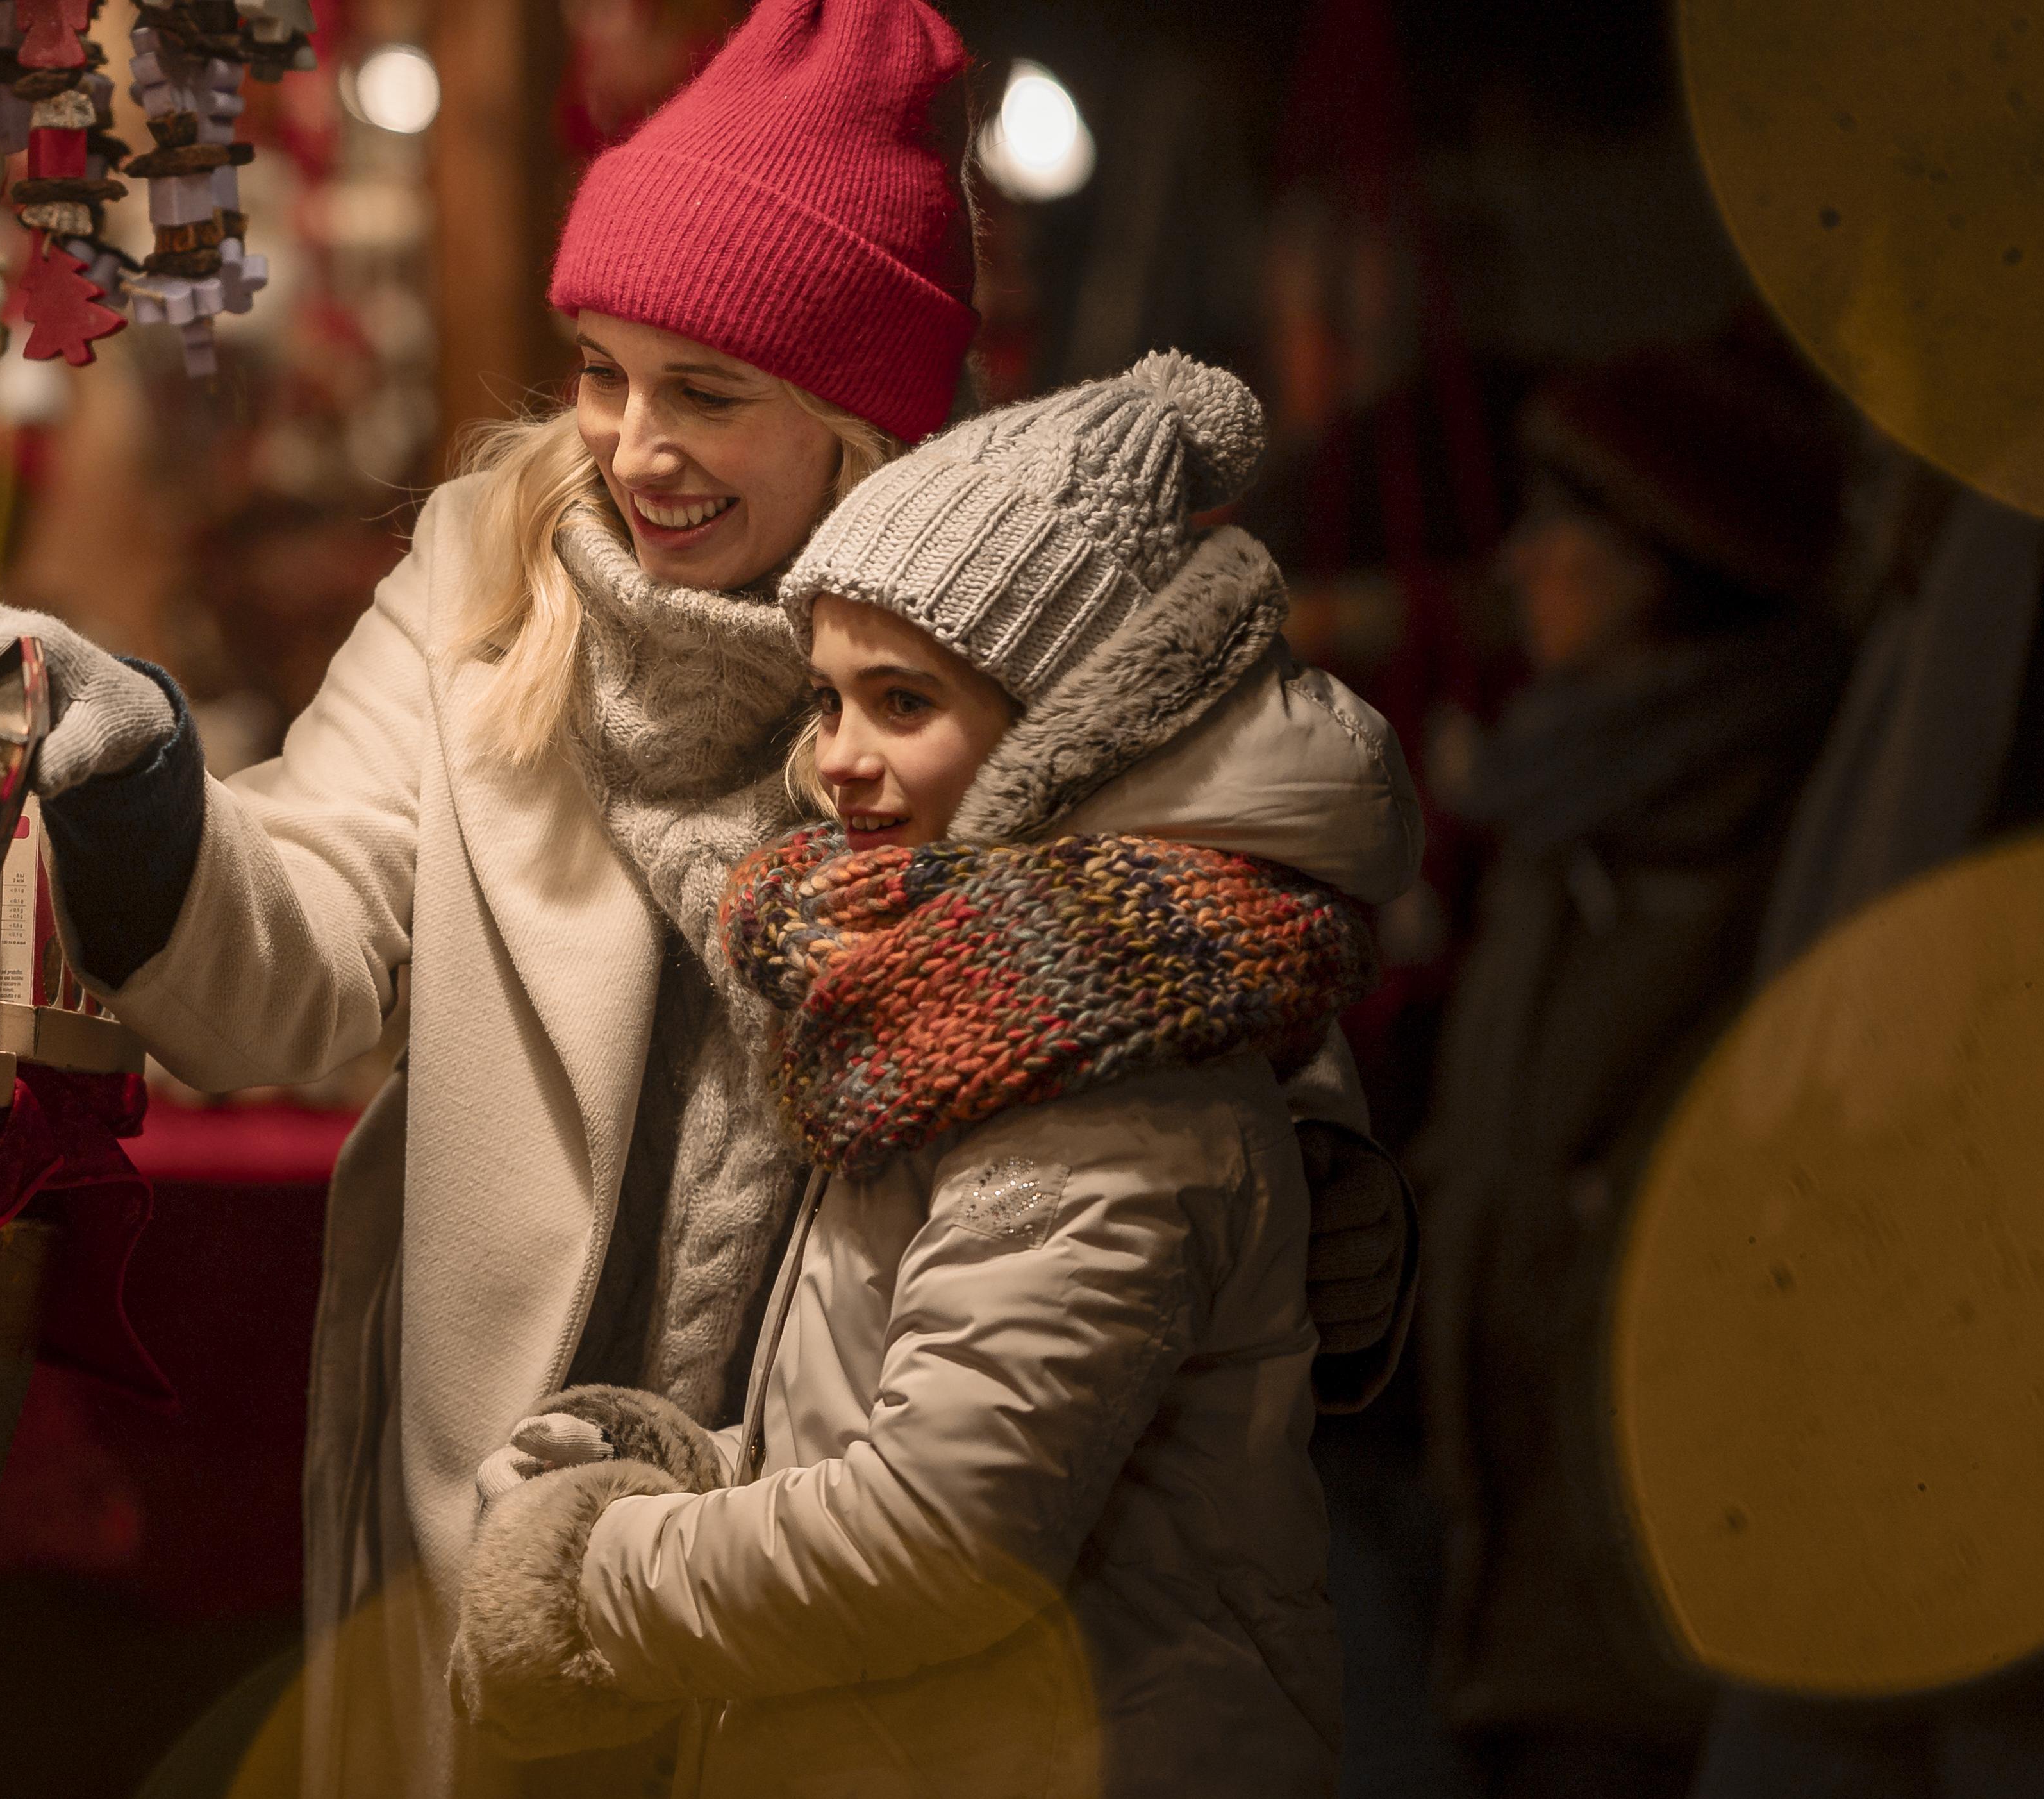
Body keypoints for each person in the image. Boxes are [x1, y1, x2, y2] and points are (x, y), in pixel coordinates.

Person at [0, 0, 1417, 1795]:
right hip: (498, 1514)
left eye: (708, 393)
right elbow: (318, 946)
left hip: (854, 1551)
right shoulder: (485, 575)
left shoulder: (1007, 661)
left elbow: (1194, 982)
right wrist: (145, 787)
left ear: (861, 419)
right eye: (601, 373)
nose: (632, 450)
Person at [443, 353, 1411, 1798]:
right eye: (826, 702)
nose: (835, 761)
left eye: (901, 703)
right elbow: (915, 1429)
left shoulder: (1093, 1069)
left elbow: (939, 1542)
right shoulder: (962, 1008)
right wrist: (685, 1466)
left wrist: (593, 1582)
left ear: (1076, 730)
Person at [1410, 339, 1849, 1799]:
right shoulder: (1566, 809)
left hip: (1636, 1606)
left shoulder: (1757, 833)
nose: (1521, 557)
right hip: (1504, 1560)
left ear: (1664, 561)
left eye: (1563, 524)